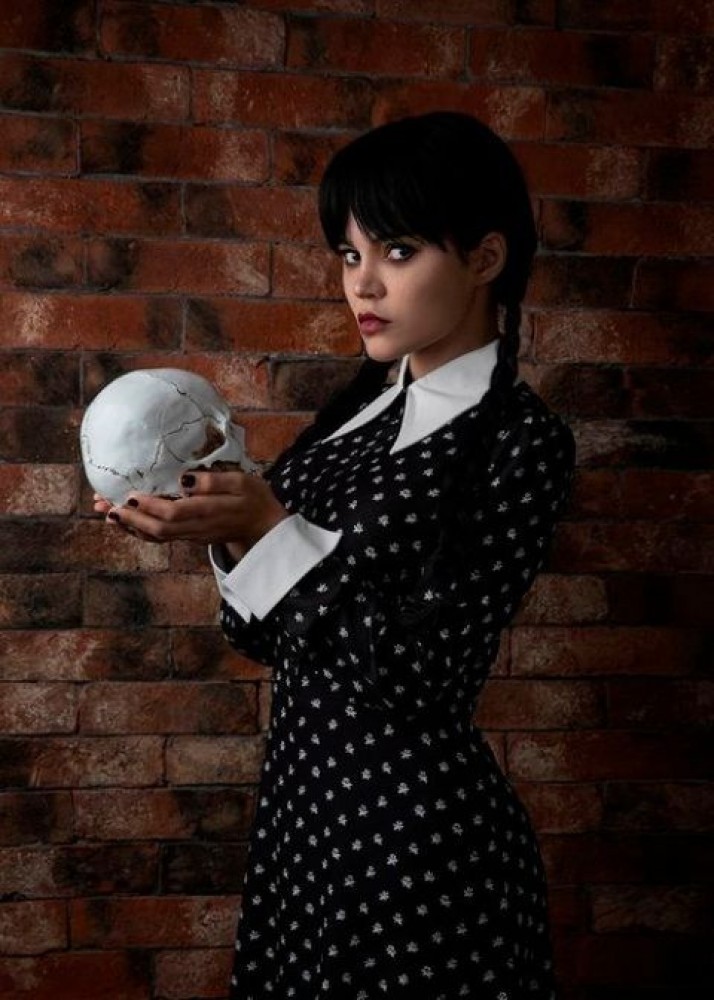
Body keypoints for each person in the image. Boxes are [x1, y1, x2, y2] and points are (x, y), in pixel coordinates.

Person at [97, 111, 575, 999]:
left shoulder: (521, 441)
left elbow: (425, 673)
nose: (363, 283)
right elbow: (261, 634)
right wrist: (220, 524)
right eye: (349, 255)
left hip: (418, 846)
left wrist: (272, 530)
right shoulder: (348, 424)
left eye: (397, 250)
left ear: (484, 257)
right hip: (305, 823)